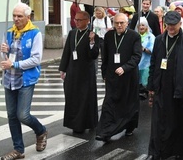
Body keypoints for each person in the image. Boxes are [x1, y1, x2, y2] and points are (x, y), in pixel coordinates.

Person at [147, 11, 183, 159]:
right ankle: (156, 152)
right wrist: (151, 85)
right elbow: (153, 63)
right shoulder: (159, 40)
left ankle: (177, 153)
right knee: (158, 122)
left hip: (180, 88)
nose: (170, 28)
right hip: (162, 86)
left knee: (177, 122)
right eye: (168, 25)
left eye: (173, 25)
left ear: (179, 24)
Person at [0, 2, 48, 159]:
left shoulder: (35, 34)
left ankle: (40, 130)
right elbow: (4, 59)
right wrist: (3, 52)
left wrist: (14, 64)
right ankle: (18, 150)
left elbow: (36, 59)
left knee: (23, 115)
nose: (16, 18)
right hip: (9, 79)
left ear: (28, 17)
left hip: (25, 80)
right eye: (14, 15)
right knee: (12, 116)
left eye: (19, 16)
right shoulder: (9, 33)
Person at [96, 13, 142, 142]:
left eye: (122, 23)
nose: (119, 25)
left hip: (129, 76)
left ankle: (129, 127)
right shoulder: (109, 36)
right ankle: (105, 131)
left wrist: (125, 67)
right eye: (116, 23)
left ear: (127, 23)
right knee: (109, 103)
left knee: (129, 104)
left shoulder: (134, 36)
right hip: (112, 75)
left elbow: (137, 56)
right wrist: (104, 72)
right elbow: (105, 56)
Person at [59, 11, 100, 134]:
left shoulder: (92, 35)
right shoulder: (72, 33)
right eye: (75, 19)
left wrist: (92, 43)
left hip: (86, 72)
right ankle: (73, 123)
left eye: (79, 20)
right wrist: (63, 69)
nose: (76, 22)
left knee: (85, 99)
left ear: (87, 21)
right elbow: (67, 52)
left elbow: (93, 55)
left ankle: (84, 123)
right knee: (72, 97)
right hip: (72, 71)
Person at [136, 17, 155, 99]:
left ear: (147, 26)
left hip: (147, 63)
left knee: (146, 82)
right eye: (139, 25)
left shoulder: (151, 37)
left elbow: (153, 50)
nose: (141, 27)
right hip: (136, 63)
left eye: (143, 25)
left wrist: (143, 49)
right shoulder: (135, 36)